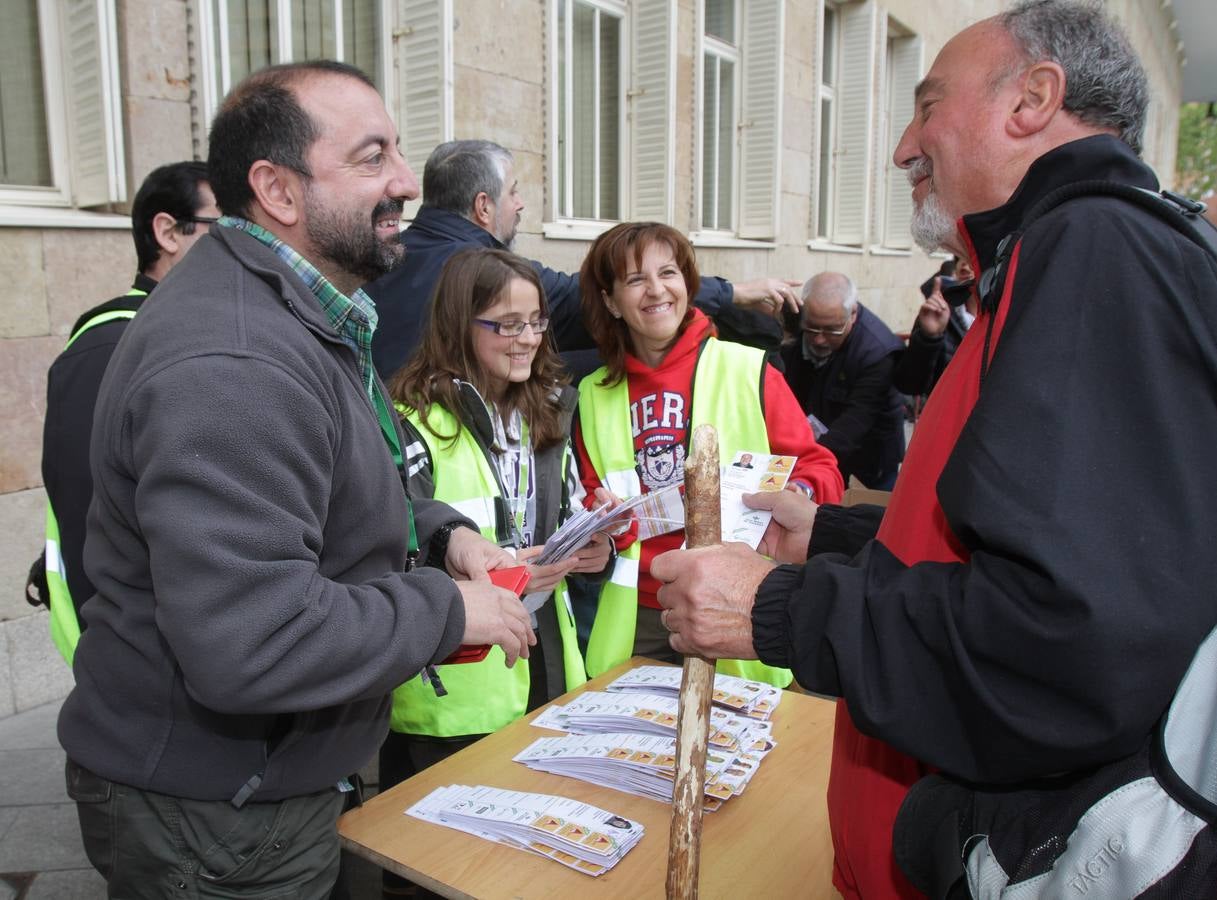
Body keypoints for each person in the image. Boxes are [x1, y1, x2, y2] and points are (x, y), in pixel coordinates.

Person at [651, 2, 1217, 897]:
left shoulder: (1093, 248)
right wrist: (833, 539)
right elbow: (1034, 553)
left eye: (926, 104)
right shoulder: (1056, 254)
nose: (902, 144)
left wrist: (777, 612)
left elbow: (1065, 643)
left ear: (1031, 100)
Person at [57, 60, 536, 899]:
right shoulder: (237, 359)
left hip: (247, 790)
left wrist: (437, 530)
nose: (403, 182)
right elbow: (255, 640)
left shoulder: (288, 310)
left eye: (397, 151)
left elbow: (318, 482)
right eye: (370, 157)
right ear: (275, 190)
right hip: (219, 818)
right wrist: (448, 608)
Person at [381, 246, 611, 896]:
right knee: (434, 870)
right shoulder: (412, 424)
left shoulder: (550, 417)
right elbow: (392, 541)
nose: (527, 339)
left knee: (528, 865)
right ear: (459, 324)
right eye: (505, 324)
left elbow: (562, 519)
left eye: (536, 321)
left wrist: (593, 551)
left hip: (545, 671)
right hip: (455, 688)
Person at [573, 222, 844, 688]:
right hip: (638, 619)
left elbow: (820, 469)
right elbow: (590, 498)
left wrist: (795, 493)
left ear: (688, 283)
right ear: (611, 301)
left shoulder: (747, 369)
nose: (657, 290)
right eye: (636, 279)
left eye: (668, 273)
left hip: (734, 606)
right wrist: (599, 523)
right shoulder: (592, 394)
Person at [363, 139, 805, 380]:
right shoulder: (489, 273)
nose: (520, 205)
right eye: (514, 191)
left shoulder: (385, 257)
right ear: (483, 207)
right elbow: (593, 292)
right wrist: (732, 292)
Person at [35, 161, 219, 664]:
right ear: (167, 232)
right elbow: (85, 508)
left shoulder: (183, 331)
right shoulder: (111, 344)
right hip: (133, 659)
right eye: (222, 227)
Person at [781, 272, 907, 489]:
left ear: (853, 314)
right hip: (821, 437)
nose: (819, 339)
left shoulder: (877, 352)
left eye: (832, 330)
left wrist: (810, 465)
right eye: (812, 328)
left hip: (870, 455)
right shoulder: (797, 322)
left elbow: (856, 420)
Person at [891, 255, 976, 402]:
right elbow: (909, 385)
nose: (965, 266)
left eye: (972, 258)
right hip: (945, 417)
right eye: (960, 258)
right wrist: (929, 337)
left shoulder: (1009, 314)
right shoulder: (935, 312)